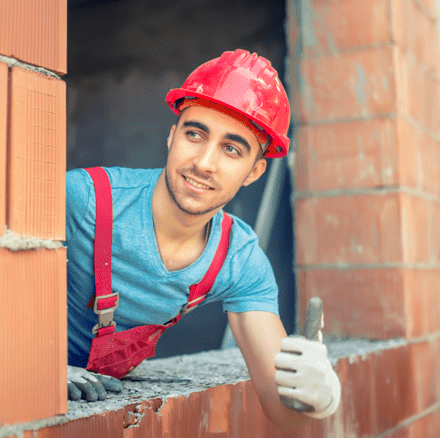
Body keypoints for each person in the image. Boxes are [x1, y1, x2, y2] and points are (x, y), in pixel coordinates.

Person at [65, 50, 341, 427]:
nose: (204, 162)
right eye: (195, 134)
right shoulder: (82, 199)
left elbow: (283, 416)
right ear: (171, 135)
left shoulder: (238, 259)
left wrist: (315, 398)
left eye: (231, 149)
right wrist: (39, 371)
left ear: (254, 171)